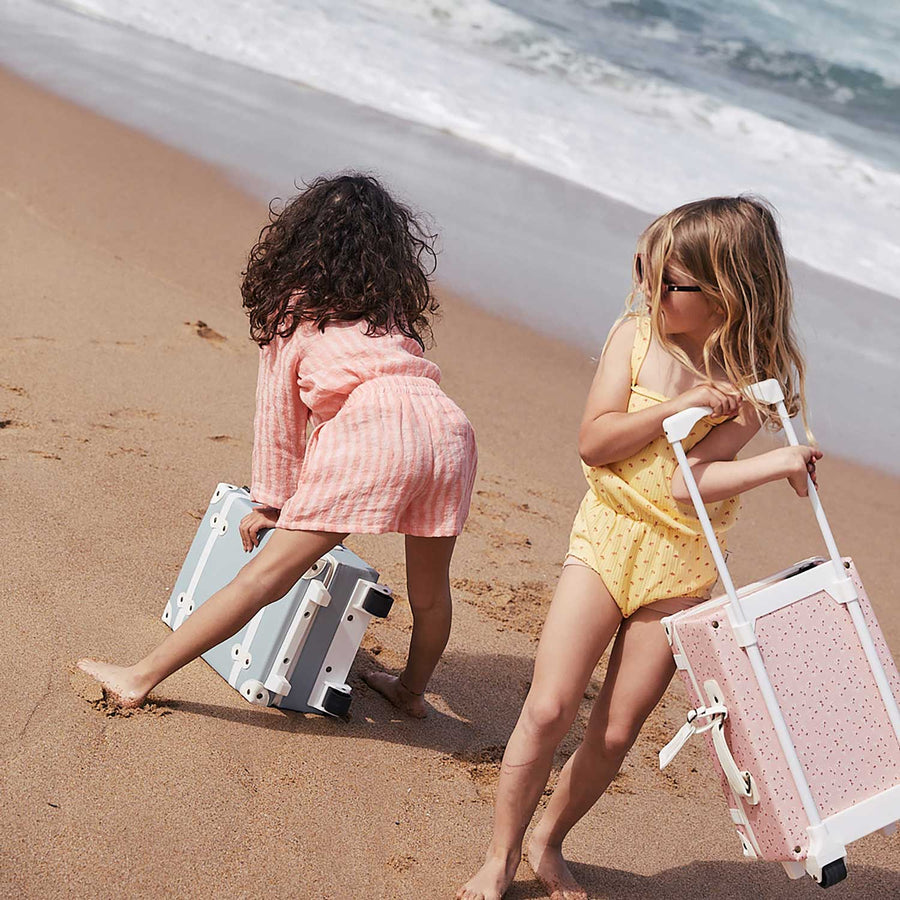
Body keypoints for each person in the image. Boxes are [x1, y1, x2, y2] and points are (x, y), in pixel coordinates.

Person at [457, 196, 820, 900]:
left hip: (679, 561)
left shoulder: (746, 384)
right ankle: (499, 857)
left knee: (618, 730)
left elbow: (694, 485)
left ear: (725, 293)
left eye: (668, 281)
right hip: (610, 534)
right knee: (549, 706)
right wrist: (671, 411)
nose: (650, 290)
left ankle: (547, 839)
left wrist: (779, 463)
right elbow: (594, 440)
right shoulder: (635, 336)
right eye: (646, 271)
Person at [78, 173, 477, 720]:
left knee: (265, 576)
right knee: (430, 591)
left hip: (378, 429)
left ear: (300, 236)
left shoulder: (294, 310)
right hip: (449, 427)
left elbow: (279, 423)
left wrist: (272, 500)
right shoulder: (388, 312)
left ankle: (138, 677)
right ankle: (410, 692)